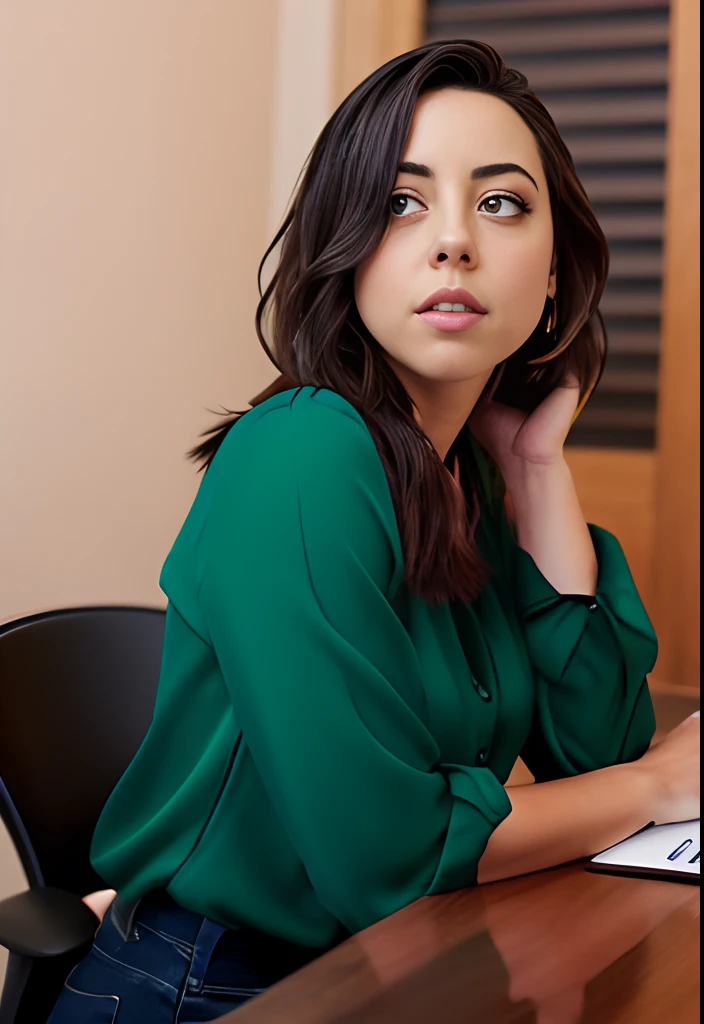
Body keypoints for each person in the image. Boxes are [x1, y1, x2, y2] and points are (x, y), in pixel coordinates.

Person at [47, 39, 699, 1024]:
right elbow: (385, 860)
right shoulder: (299, 458)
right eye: (401, 202)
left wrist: (534, 469)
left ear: (558, 275)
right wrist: (653, 785)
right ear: (344, 252)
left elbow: (594, 744)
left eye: (499, 202)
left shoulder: (467, 469)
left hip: (398, 962)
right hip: (216, 991)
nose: (451, 243)